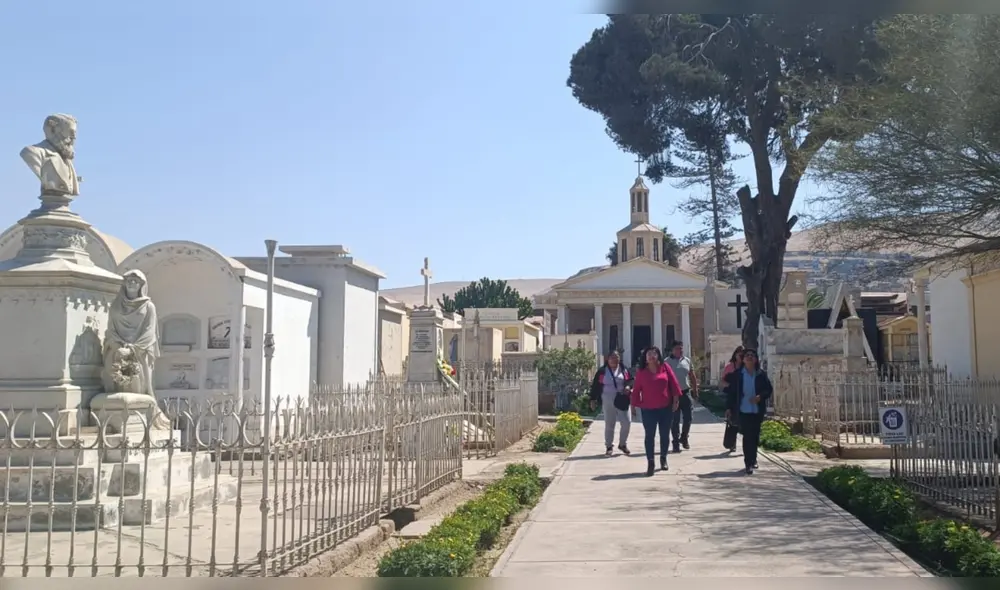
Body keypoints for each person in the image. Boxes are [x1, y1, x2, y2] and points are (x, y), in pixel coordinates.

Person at [631, 346, 683, 476]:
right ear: (645, 357)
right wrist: (633, 406)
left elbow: (674, 383)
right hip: (648, 409)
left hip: (665, 408)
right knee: (650, 436)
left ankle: (663, 458)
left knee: (664, 435)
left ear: (658, 356)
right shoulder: (641, 372)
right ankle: (651, 462)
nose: (651, 356)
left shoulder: (665, 368)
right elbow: (636, 389)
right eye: (649, 354)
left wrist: (676, 399)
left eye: (654, 354)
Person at [723, 349, 773, 475]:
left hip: (757, 410)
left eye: (752, 355)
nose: (749, 357)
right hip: (743, 410)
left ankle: (754, 458)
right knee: (747, 436)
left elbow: (768, 389)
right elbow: (732, 392)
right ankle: (748, 463)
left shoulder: (761, 375)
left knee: (755, 436)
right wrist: (729, 408)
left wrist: (760, 397)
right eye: (747, 356)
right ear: (743, 360)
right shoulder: (738, 375)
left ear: (755, 359)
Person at [589, 350, 633, 456]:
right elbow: (596, 385)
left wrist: (628, 386)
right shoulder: (602, 371)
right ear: (607, 359)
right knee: (609, 423)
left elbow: (630, 380)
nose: (614, 359)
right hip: (607, 398)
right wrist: (592, 399)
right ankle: (609, 446)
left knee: (627, 422)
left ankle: (622, 444)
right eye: (612, 357)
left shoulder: (623, 369)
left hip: (622, 398)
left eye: (616, 357)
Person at [666, 341, 699, 452]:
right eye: (677, 348)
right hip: (673, 395)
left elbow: (692, 376)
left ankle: (684, 437)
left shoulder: (687, 361)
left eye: (681, 348)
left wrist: (695, 389)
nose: (680, 351)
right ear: (672, 350)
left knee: (688, 417)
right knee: (674, 420)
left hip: (685, 393)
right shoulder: (666, 362)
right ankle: (675, 442)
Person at [720, 346, 744, 452]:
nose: (741, 357)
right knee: (733, 421)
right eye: (739, 354)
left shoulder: (746, 367)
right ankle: (732, 443)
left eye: (743, 355)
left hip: (744, 397)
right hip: (732, 397)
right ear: (735, 355)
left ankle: (746, 446)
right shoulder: (730, 367)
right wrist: (731, 385)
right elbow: (723, 381)